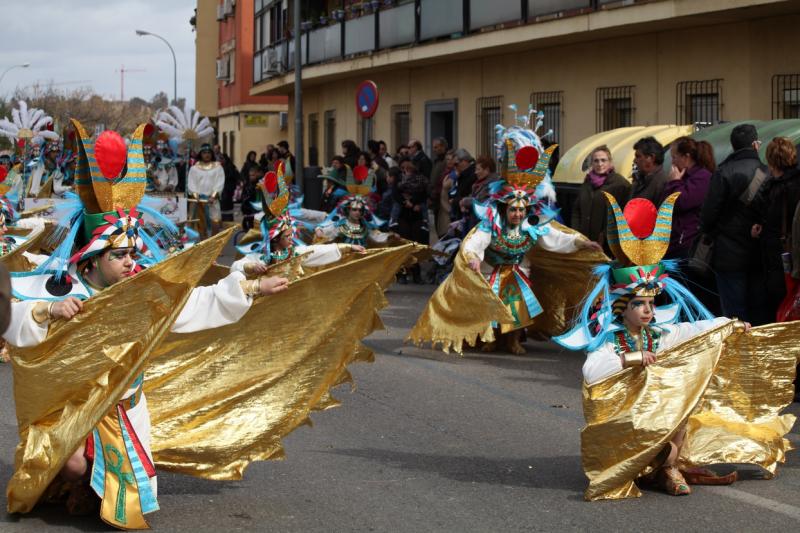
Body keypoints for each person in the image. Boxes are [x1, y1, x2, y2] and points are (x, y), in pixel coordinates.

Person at [3, 120, 289, 528]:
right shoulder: (61, 288)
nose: (129, 262)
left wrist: (253, 286)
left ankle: (93, 480)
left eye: (132, 253)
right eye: (119, 255)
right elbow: (11, 316)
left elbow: (194, 303)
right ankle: (75, 478)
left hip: (123, 412)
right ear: (92, 258)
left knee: (125, 503)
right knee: (66, 463)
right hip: (68, 408)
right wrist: (48, 312)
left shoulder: (139, 294)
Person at [555, 191, 798, 500]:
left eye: (651, 303)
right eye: (639, 304)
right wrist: (634, 358)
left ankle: (669, 467)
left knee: (680, 409)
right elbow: (591, 371)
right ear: (621, 307)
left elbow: (690, 330)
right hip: (626, 418)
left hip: (657, 411)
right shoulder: (612, 340)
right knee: (654, 420)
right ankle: (650, 465)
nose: (648, 310)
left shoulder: (658, 332)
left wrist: (728, 324)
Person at [409, 119, 603, 355]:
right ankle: (490, 338)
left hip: (519, 270)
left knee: (517, 306)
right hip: (492, 269)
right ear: (504, 209)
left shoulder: (532, 225)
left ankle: (513, 340)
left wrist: (582, 243)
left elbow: (555, 237)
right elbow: (475, 241)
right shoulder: (493, 223)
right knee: (492, 305)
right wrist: (472, 256)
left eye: (521, 210)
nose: (518, 213)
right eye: (513, 209)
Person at [233, 171, 365, 273]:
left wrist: (348, 248)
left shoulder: (293, 253)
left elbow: (315, 250)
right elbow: (235, 267)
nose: (292, 239)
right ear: (275, 238)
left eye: (292, 234)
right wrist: (250, 267)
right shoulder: (262, 258)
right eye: (288, 236)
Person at [699, 124, 766, 322]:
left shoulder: (723, 171)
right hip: (758, 252)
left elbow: (708, 214)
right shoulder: (765, 171)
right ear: (756, 144)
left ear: (733, 146)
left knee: (734, 314)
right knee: (758, 309)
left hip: (728, 252)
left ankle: (738, 351)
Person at [750, 137, 800, 324]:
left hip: (780, 256)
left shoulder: (774, 188)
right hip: (794, 253)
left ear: (771, 160)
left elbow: (767, 217)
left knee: (781, 303)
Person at [660, 137, 715, 259]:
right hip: (674, 242)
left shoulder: (701, 178)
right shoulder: (684, 176)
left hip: (687, 244)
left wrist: (674, 182)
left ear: (686, 157)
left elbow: (679, 202)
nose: (672, 162)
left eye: (674, 157)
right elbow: (665, 206)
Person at [571, 145, 630, 250]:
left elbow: (623, 215)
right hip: (585, 241)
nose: (600, 164)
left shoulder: (620, 184)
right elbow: (577, 210)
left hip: (607, 245)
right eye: (596, 161)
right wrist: (577, 233)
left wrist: (606, 235)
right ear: (592, 163)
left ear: (610, 162)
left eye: (603, 160)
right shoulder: (587, 182)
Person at [187, 143, 225, 238]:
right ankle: (204, 246)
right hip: (199, 202)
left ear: (212, 153)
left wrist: (213, 195)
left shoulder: (218, 167)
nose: (207, 155)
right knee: (200, 224)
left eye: (208, 152)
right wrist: (196, 196)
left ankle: (214, 246)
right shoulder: (194, 168)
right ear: (200, 154)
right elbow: (191, 184)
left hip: (212, 201)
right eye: (204, 152)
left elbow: (220, 182)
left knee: (215, 223)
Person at [631, 136, 668, 203]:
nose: (635, 160)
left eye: (638, 156)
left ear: (651, 158)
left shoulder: (662, 184)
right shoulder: (640, 180)